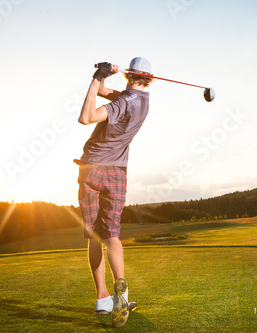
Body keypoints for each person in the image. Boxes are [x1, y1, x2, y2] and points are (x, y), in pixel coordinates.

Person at [75, 57, 154, 328]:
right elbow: (105, 92)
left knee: (95, 235)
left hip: (93, 169)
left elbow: (86, 117)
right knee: (113, 233)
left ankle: (102, 297)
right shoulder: (142, 102)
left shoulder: (122, 103)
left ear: (130, 75)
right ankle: (123, 291)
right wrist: (103, 79)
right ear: (149, 79)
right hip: (119, 172)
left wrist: (98, 76)